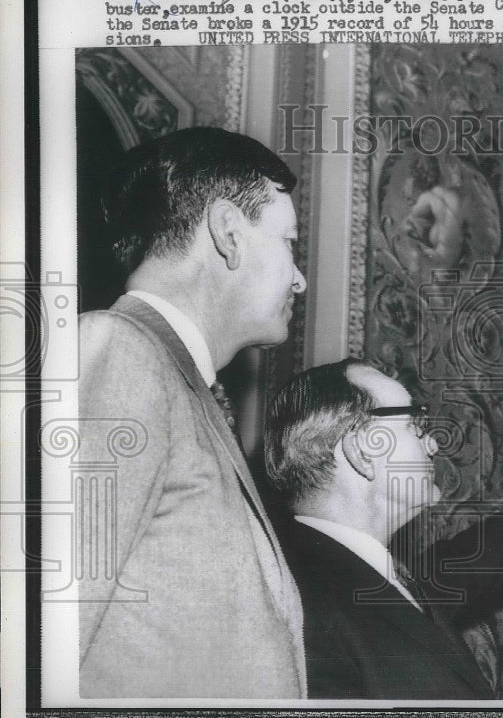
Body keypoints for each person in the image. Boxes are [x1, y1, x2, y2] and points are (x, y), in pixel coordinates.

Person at [78, 127, 308, 697]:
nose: (300, 278)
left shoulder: (186, 390)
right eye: (290, 243)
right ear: (229, 232)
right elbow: (46, 636)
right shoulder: (121, 351)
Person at [264, 360, 503, 699]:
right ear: (363, 450)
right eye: (415, 425)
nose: (433, 444)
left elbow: (463, 567)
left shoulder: (359, 575)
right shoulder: (296, 607)